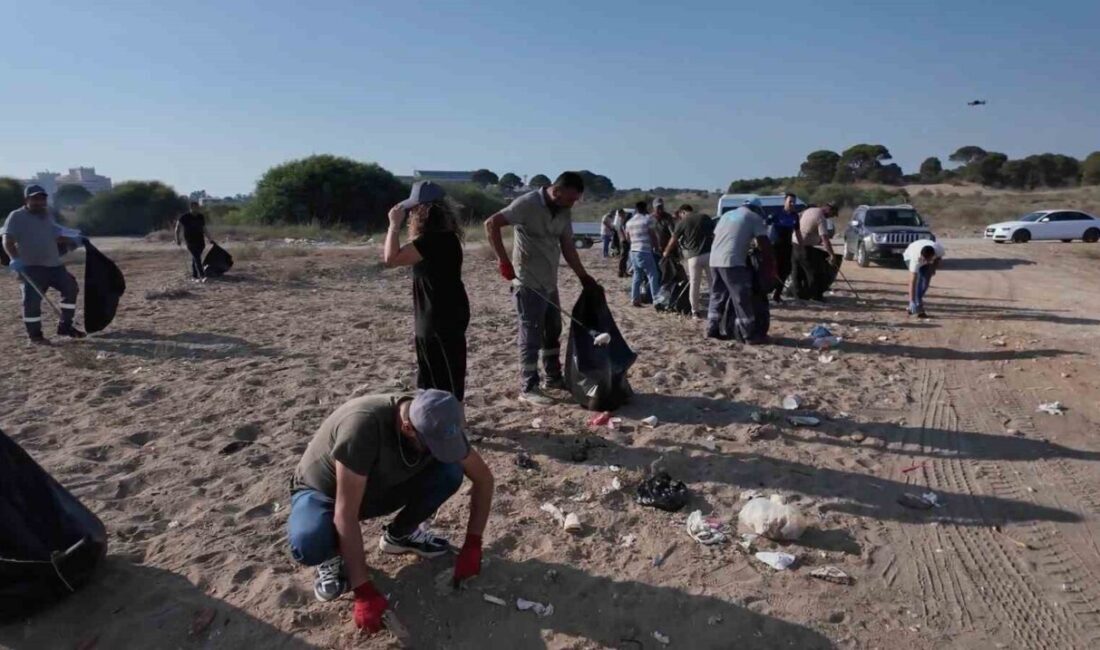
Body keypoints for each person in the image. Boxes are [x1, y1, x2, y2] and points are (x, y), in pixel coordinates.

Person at [287, 390, 494, 634]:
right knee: (309, 541)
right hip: (326, 492)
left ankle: (400, 536)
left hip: (379, 483)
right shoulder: (362, 427)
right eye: (432, 445)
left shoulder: (438, 416)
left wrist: (473, 544)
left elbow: (484, 479)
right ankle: (332, 556)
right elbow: (345, 514)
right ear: (407, 428)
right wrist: (363, 591)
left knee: (450, 472)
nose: (437, 450)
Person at [484, 172, 598, 406]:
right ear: (556, 191)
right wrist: (503, 261)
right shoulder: (526, 204)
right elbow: (491, 223)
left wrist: (583, 276)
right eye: (570, 199)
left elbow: (568, 246)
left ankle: (552, 378)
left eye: (575, 200)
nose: (572, 204)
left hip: (549, 281)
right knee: (531, 333)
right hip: (527, 280)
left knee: (552, 329)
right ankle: (528, 386)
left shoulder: (564, 210)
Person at [383, 181, 470, 400]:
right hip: (450, 310)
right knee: (451, 371)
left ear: (423, 211)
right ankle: (454, 418)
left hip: (436, 314)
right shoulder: (447, 238)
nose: (410, 214)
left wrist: (393, 226)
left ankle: (447, 422)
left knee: (437, 373)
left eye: (413, 210)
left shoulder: (432, 241)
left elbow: (391, 258)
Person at [1, 185, 85, 344]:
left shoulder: (47, 215)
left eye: (42, 198)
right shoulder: (16, 216)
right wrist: (14, 258)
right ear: (27, 200)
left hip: (54, 265)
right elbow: (7, 239)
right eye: (35, 199)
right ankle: (35, 336)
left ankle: (65, 326)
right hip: (30, 267)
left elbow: (53, 236)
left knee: (71, 288)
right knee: (31, 303)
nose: (39, 202)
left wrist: (74, 239)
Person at [708, 200, 777, 343]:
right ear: (756, 209)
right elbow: (764, 243)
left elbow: (719, 237)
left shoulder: (726, 215)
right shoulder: (753, 217)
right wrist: (770, 264)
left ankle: (712, 328)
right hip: (732, 262)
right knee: (741, 297)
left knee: (718, 295)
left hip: (714, 259)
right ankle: (748, 334)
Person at [664, 205, 713, 318]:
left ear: (682, 212)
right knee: (712, 283)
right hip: (709, 255)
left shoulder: (683, 222)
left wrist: (666, 252)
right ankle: (715, 309)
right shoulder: (705, 217)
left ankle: (695, 311)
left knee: (694, 284)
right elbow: (714, 233)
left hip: (693, 257)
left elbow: (673, 240)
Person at [791, 203, 838, 302]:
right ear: (828, 209)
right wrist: (831, 255)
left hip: (794, 243)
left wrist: (816, 240)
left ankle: (798, 295)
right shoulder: (820, 217)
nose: (831, 217)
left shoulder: (809, 210)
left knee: (797, 272)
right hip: (804, 247)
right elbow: (825, 238)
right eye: (832, 214)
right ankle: (815, 296)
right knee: (813, 272)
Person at [624, 200, 662, 307]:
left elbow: (627, 238)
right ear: (645, 208)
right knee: (653, 275)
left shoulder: (629, 222)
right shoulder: (647, 219)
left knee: (637, 276)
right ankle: (656, 300)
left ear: (636, 209)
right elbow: (652, 235)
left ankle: (635, 299)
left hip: (633, 251)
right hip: (644, 251)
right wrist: (656, 247)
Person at [768, 193, 803, 303]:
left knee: (786, 270)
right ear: (785, 202)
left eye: (794, 202)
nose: (792, 204)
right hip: (775, 247)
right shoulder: (776, 214)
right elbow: (764, 225)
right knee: (774, 271)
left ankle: (777, 295)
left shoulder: (795, 216)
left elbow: (797, 232)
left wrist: (801, 245)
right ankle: (767, 291)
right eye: (790, 201)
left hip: (787, 247)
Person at [902, 239, 945, 318]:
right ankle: (916, 305)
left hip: (926, 250)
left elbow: (939, 258)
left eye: (929, 260)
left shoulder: (939, 250)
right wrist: (911, 301)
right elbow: (912, 282)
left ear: (933, 255)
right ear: (922, 256)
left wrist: (933, 268)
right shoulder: (915, 259)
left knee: (925, 283)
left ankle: (917, 303)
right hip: (909, 256)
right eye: (925, 260)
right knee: (918, 280)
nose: (926, 261)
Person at [175, 201, 215, 282]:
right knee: (197, 258)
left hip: (200, 240)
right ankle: (202, 276)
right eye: (194, 207)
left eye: (197, 207)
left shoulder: (200, 216)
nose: (196, 209)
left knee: (196, 258)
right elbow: (177, 228)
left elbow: (204, 229)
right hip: (190, 241)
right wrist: (177, 239)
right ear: (191, 207)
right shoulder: (184, 217)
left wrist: (210, 239)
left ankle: (194, 276)